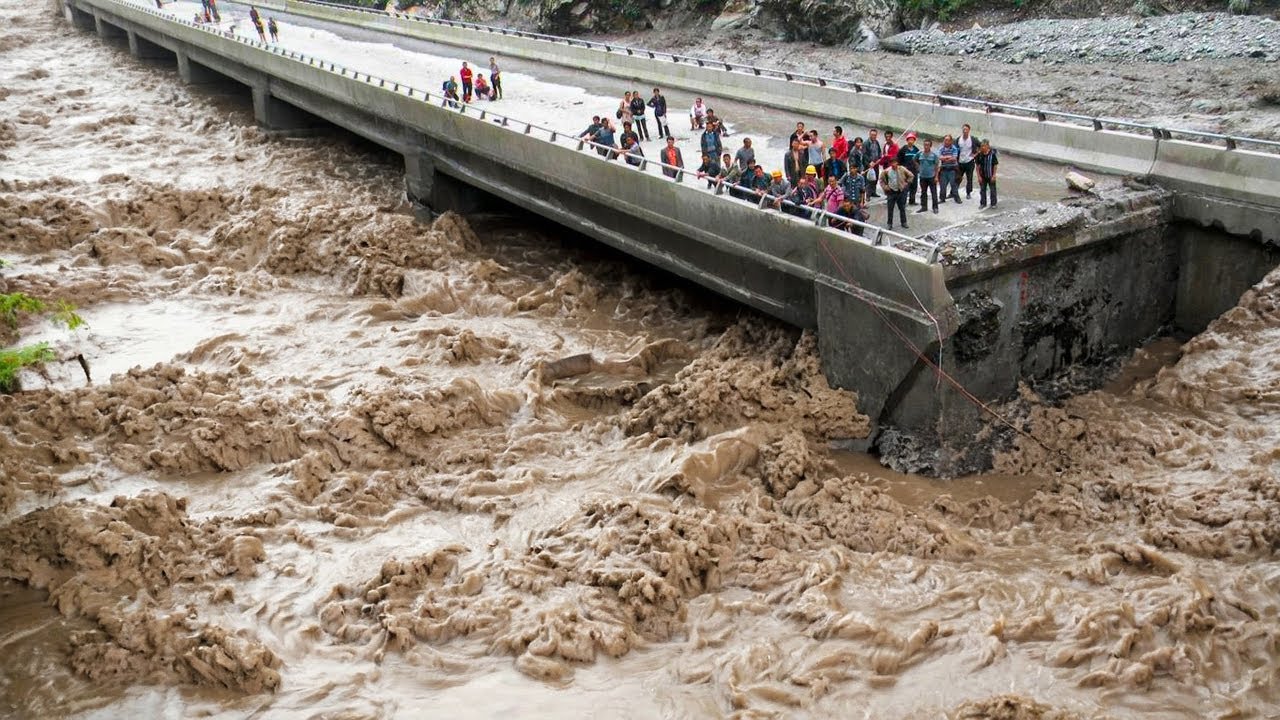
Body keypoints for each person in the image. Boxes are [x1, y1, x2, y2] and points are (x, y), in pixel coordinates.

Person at [879, 155, 914, 230]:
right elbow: (881, 180)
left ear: (897, 163)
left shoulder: (902, 169)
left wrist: (906, 183)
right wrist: (885, 187)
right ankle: (889, 223)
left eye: (894, 162)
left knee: (902, 208)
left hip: (900, 191)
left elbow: (911, 175)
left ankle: (904, 222)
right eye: (892, 163)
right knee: (890, 208)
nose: (893, 164)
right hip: (891, 192)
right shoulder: (886, 171)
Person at [916, 138, 940, 214]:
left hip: (931, 177)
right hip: (923, 176)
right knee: (923, 192)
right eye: (925, 145)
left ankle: (935, 207)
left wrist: (936, 176)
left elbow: (937, 166)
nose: (926, 146)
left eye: (927, 145)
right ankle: (924, 206)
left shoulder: (934, 155)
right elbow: (914, 159)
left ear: (930, 146)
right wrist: (918, 167)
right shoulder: (920, 153)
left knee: (934, 193)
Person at [898, 131, 921, 205]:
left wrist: (918, 168)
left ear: (914, 141)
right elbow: (898, 159)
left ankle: (912, 200)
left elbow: (919, 160)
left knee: (914, 186)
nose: (911, 141)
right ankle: (902, 202)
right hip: (905, 171)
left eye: (912, 140)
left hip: (914, 171)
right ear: (907, 140)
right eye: (909, 139)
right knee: (905, 187)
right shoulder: (903, 149)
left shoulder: (916, 150)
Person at [956, 123, 978, 199]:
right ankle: (953, 192)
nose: (965, 131)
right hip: (960, 162)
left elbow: (981, 146)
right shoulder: (958, 139)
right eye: (964, 129)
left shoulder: (973, 139)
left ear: (969, 130)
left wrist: (975, 154)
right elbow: (955, 149)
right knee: (958, 177)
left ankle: (968, 193)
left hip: (969, 162)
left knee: (969, 178)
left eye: (966, 129)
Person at [938, 134, 961, 204]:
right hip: (944, 169)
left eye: (948, 140)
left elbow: (954, 158)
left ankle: (957, 198)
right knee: (942, 185)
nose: (946, 142)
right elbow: (939, 157)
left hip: (952, 169)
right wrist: (949, 157)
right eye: (945, 140)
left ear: (951, 141)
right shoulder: (941, 148)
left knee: (954, 184)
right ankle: (942, 198)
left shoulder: (954, 148)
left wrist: (945, 158)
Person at [977, 139, 999, 208]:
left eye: (984, 146)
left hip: (991, 175)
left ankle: (993, 204)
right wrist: (979, 176)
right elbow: (977, 166)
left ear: (988, 146)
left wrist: (994, 175)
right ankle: (983, 203)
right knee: (982, 190)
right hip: (982, 176)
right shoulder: (979, 155)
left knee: (993, 190)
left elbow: (995, 165)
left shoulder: (992, 154)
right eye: (982, 146)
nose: (983, 147)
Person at [865, 129, 882, 197]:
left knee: (875, 178)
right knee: (869, 179)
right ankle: (868, 194)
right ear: (869, 135)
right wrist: (869, 162)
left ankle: (873, 192)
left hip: (876, 164)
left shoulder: (876, 142)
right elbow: (865, 154)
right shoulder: (866, 143)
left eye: (875, 135)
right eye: (872, 135)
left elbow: (879, 151)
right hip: (869, 164)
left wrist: (880, 157)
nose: (873, 136)